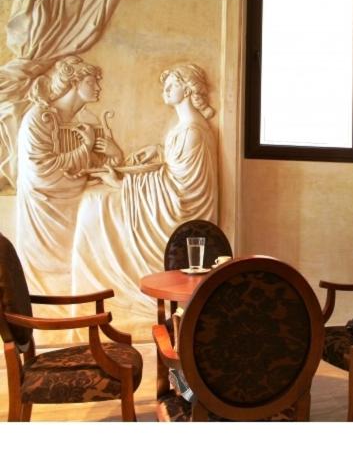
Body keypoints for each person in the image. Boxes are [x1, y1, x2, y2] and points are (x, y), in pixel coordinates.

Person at [71, 63, 218, 339]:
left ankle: (109, 290)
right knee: (95, 198)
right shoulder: (186, 127)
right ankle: (94, 291)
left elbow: (180, 188)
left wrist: (123, 183)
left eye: (172, 85)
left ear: (188, 89)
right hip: (164, 197)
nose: (166, 90)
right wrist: (157, 151)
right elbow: (175, 168)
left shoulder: (193, 130)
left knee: (95, 203)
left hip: (177, 209)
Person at [16, 56, 121, 320]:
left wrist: (114, 155)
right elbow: (41, 170)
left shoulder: (83, 120)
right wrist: (85, 148)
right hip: (46, 208)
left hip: (73, 202)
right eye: (91, 82)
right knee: (52, 277)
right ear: (74, 83)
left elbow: (94, 164)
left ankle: (92, 308)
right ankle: (58, 320)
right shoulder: (39, 118)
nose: (98, 87)